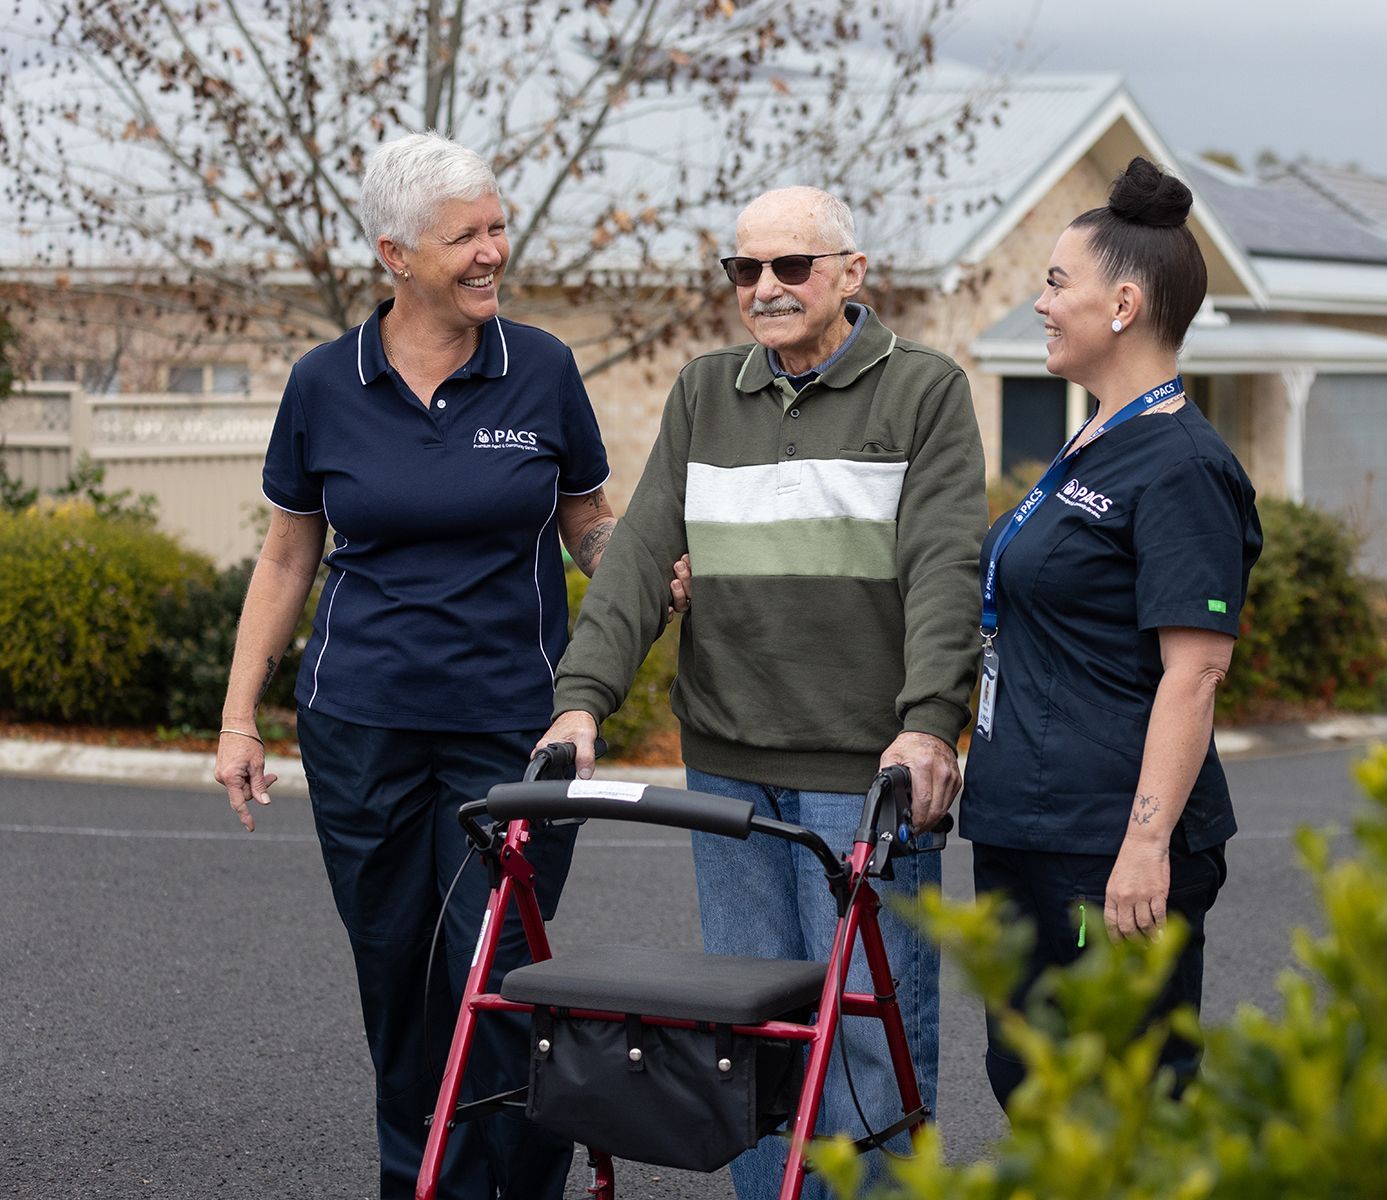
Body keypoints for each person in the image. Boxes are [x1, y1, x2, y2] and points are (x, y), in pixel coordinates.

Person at [539, 185, 986, 1199]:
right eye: (746, 270)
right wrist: (582, 701)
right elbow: (643, 553)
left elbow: (946, 571)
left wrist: (928, 726)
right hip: (730, 772)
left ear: (850, 273)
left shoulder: (924, 391)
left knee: (870, 1044)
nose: (766, 288)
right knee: (745, 1043)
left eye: (792, 266)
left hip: (863, 774)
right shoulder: (705, 392)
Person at [212, 131, 616, 1200]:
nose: (493, 252)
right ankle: (419, 1184)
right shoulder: (323, 384)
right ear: (395, 254)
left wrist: (640, 585)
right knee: (396, 982)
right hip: (364, 726)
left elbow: (588, 525)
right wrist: (238, 715)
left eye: (497, 228)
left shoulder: (541, 368)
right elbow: (290, 549)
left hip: (512, 729)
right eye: (465, 237)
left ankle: (517, 1180)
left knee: (495, 975)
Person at [960, 157, 1262, 1107]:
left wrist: (1145, 847)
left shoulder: (1181, 467)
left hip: (1105, 847)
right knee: (1032, 1083)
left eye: (1057, 284)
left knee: (1120, 1096)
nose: (1041, 304)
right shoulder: (1098, 434)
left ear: (1124, 304)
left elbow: (1196, 673)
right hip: (1029, 826)